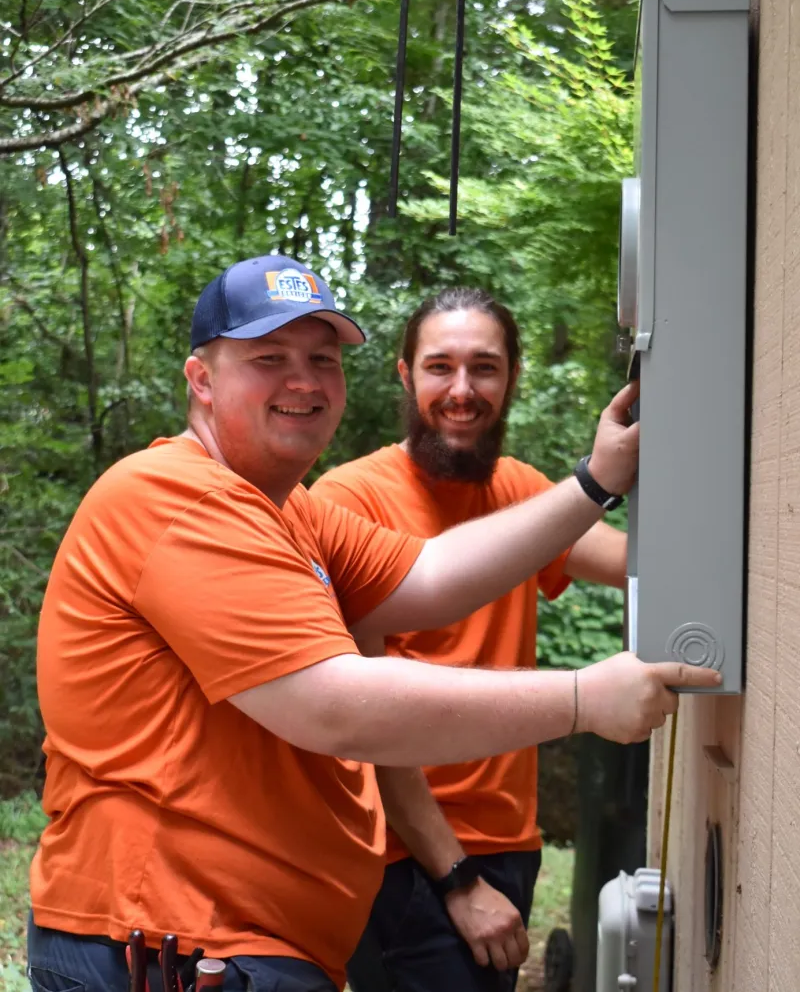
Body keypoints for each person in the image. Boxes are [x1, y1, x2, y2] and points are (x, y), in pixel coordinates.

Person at [28, 255, 718, 992]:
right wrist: (581, 700)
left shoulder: (287, 508)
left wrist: (594, 483)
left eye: (322, 359)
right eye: (269, 358)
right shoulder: (179, 497)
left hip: (235, 941)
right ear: (201, 379)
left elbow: (429, 575)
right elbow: (332, 704)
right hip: (167, 943)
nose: (303, 380)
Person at [311, 287, 629, 992]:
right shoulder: (348, 500)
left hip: (506, 848)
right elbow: (366, 718)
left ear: (513, 376)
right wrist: (455, 878)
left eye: (484, 367)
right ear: (404, 374)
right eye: (439, 367)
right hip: (403, 858)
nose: (462, 390)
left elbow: (634, 563)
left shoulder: (520, 491)